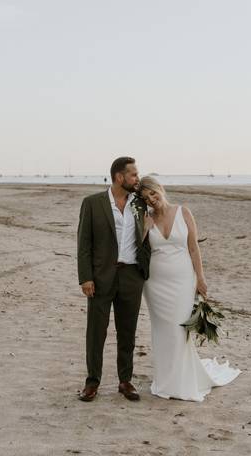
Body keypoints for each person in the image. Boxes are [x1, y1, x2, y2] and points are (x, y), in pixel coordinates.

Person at [139, 175, 240, 401]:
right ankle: (165, 379)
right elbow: (136, 249)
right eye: (146, 198)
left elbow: (194, 248)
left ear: (160, 189)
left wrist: (201, 278)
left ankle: (182, 380)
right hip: (155, 285)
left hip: (183, 281)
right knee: (162, 331)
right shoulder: (146, 219)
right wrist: (144, 229)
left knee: (179, 330)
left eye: (153, 193)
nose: (152, 200)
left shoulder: (183, 212)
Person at [76, 156, 151, 402]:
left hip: (131, 276)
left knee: (127, 332)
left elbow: (152, 230)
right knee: (96, 331)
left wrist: (144, 270)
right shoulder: (92, 203)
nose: (137, 179)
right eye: (133, 175)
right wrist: (85, 277)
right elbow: (84, 244)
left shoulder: (140, 203)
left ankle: (125, 381)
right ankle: (92, 382)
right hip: (100, 277)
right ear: (119, 177)